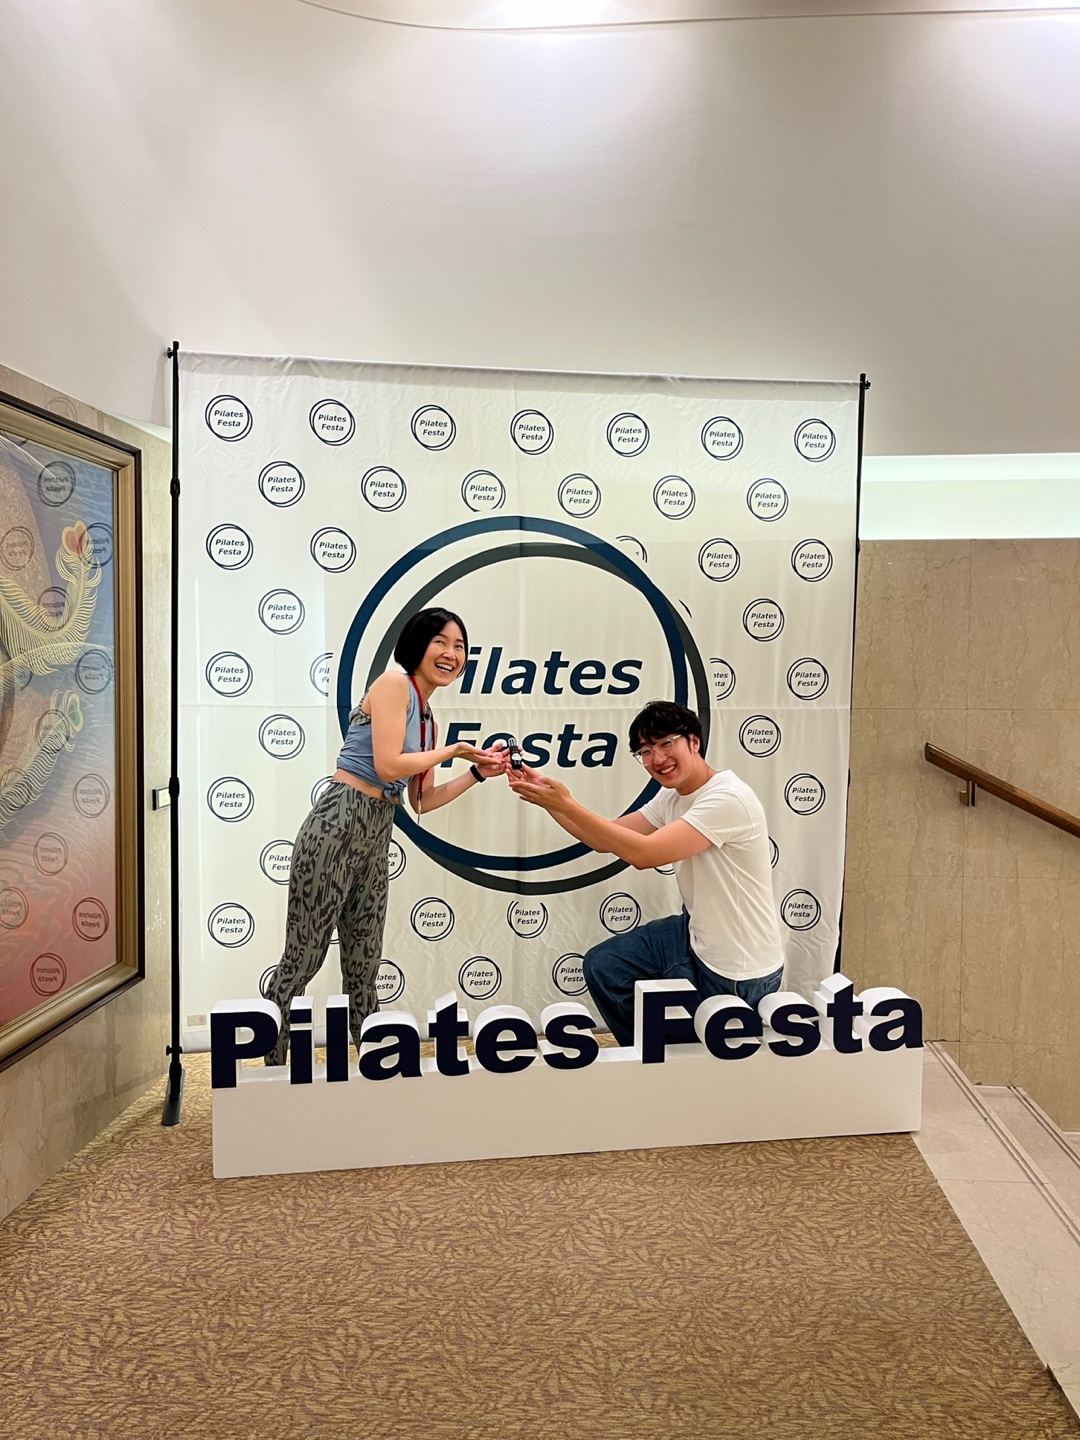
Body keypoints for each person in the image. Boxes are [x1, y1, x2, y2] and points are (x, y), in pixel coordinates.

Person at [264, 607, 505, 1064]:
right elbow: (388, 765)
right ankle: (272, 1064)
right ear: (417, 645)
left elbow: (422, 800)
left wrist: (476, 773)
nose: (451, 654)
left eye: (459, 646)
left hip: (377, 832)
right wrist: (453, 750)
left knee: (365, 960)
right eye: (441, 642)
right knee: (305, 955)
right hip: (338, 822)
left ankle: (371, 1063)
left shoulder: (430, 721)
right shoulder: (394, 684)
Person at [507, 699, 784, 1047]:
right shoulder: (671, 798)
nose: (657, 759)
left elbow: (644, 854)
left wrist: (567, 803)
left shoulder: (728, 799)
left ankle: (669, 1060)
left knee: (707, 1063)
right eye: (646, 751)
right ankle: (652, 1057)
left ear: (694, 742)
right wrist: (549, 800)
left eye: (666, 743)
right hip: (697, 932)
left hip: (738, 966)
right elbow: (604, 839)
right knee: (604, 966)